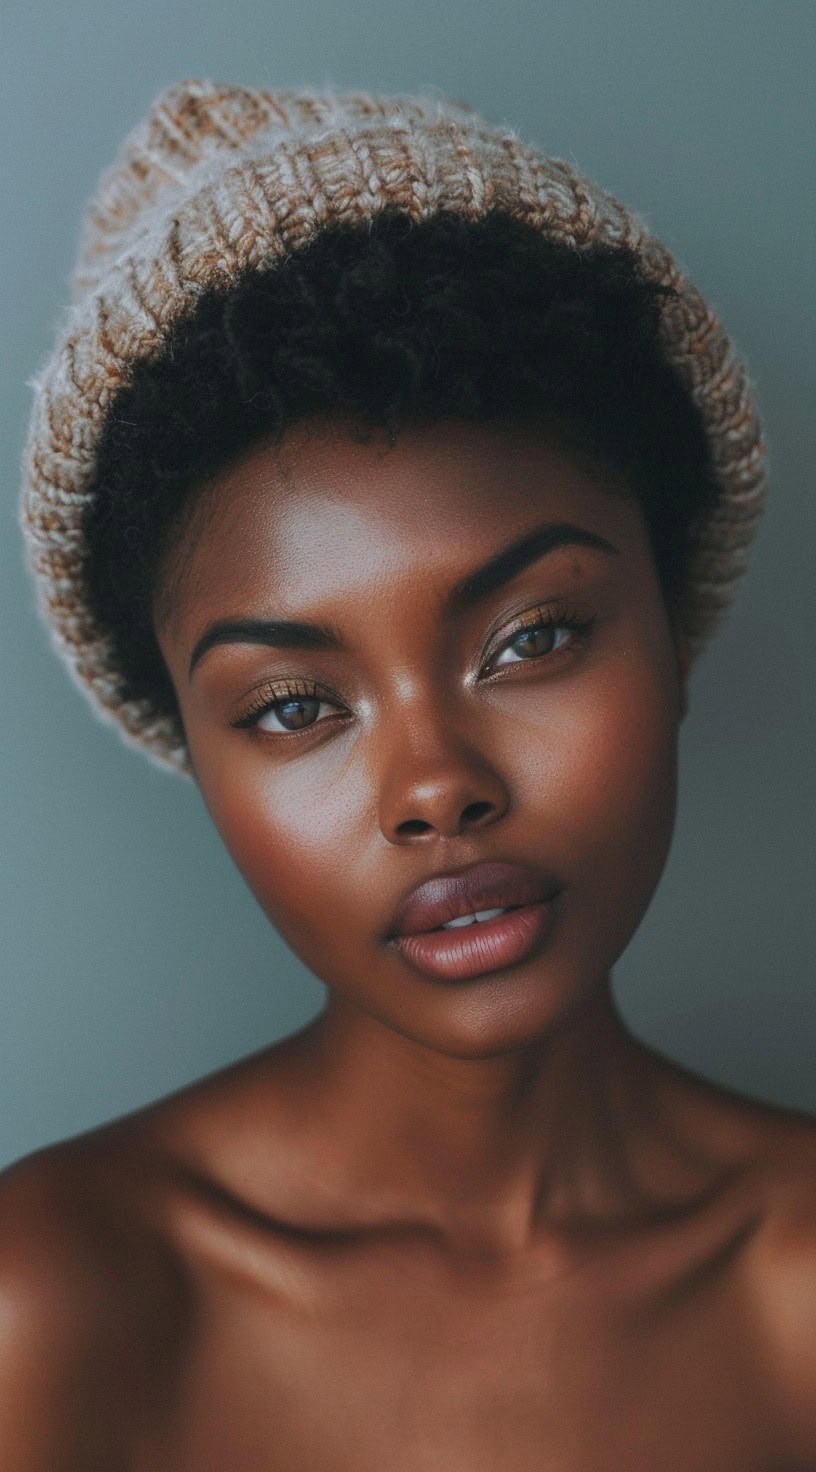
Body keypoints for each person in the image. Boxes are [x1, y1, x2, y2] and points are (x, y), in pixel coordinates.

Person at [3, 79, 814, 1468]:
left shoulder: (794, 1292)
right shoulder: (53, 1305)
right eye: (296, 705)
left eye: (533, 637)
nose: (435, 785)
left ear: (673, 635)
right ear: (189, 754)